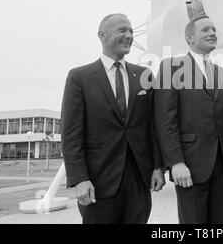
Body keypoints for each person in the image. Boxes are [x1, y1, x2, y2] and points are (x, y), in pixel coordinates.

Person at [61, 13, 165, 224]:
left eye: (131, 32)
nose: (129, 36)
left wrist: (158, 167)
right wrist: (79, 179)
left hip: (138, 181)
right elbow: (71, 134)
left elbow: (152, 127)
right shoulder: (79, 77)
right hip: (98, 182)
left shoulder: (144, 75)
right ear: (102, 35)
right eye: (122, 30)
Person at [154, 15, 223, 224]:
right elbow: (165, 121)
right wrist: (175, 162)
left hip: (221, 167)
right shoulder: (171, 68)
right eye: (205, 30)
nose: (212, 33)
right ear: (189, 37)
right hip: (189, 167)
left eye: (214, 29)